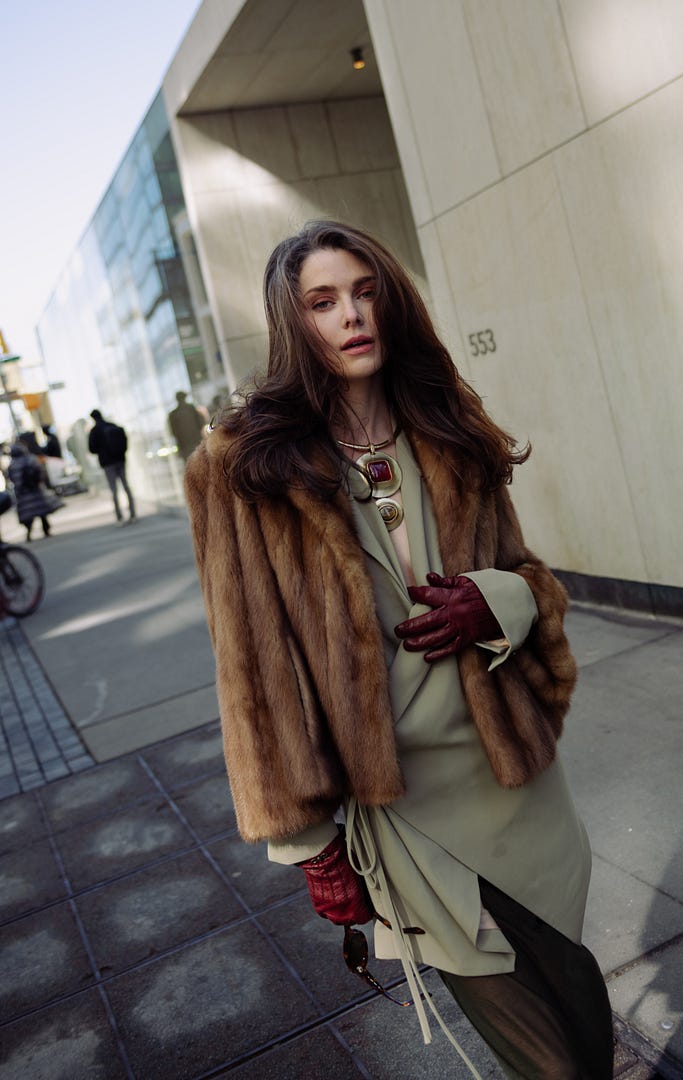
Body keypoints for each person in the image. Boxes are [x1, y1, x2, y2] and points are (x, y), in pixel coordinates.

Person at [184, 221, 614, 1080]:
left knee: (582, 1012)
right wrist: (310, 845)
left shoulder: (446, 425)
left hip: (519, 785)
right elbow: (254, 674)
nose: (353, 315)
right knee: (552, 1063)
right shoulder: (240, 469)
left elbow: (531, 577)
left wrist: (492, 601)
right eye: (324, 301)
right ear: (293, 322)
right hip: (410, 817)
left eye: (367, 291)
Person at [87, 409, 137, 524]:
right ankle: (133, 512)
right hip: (120, 460)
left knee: (114, 490)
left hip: (108, 463)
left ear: (93, 418)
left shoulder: (95, 431)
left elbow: (92, 449)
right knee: (126, 486)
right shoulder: (112, 426)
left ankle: (119, 516)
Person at [7, 442, 63, 541]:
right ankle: (46, 530)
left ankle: (29, 533)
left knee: (28, 515)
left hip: (22, 493)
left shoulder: (12, 464)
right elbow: (40, 471)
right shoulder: (30, 459)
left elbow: (11, 478)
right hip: (35, 489)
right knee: (42, 512)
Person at [167, 390, 207, 462]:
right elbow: (201, 422)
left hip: (183, 445)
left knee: (189, 464)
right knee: (201, 462)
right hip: (196, 441)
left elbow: (173, 431)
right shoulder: (191, 408)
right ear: (185, 398)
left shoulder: (173, 414)